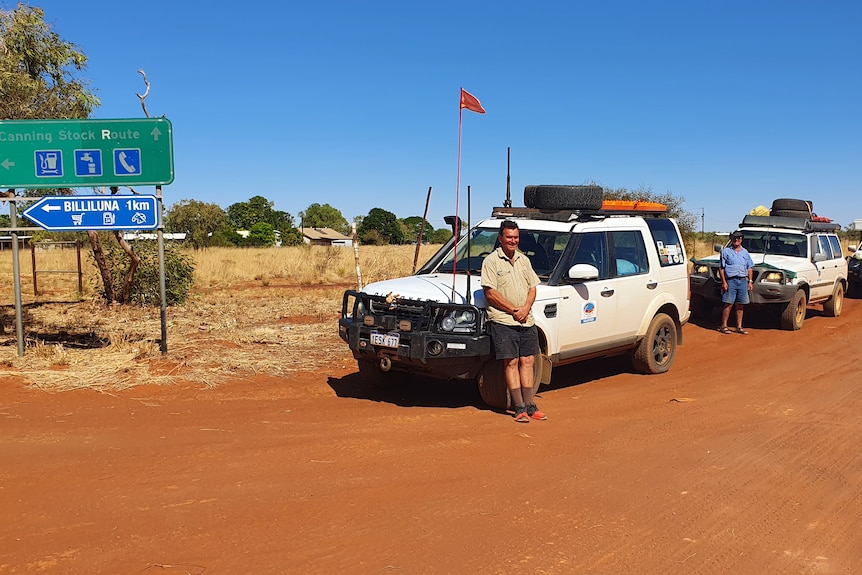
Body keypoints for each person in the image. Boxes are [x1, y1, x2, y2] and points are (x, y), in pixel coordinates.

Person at [481, 220, 546, 422]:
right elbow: (490, 293)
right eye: (509, 237)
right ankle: (518, 407)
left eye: (516, 237)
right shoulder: (491, 261)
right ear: (500, 239)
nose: (513, 241)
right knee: (512, 362)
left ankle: (530, 404)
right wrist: (513, 310)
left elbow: (533, 287)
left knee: (528, 361)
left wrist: (525, 308)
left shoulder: (524, 260)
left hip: (526, 320)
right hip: (503, 320)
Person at [718, 230, 755, 334]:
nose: (736, 240)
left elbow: (750, 268)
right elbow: (721, 268)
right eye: (734, 238)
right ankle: (724, 326)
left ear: (741, 240)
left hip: (743, 281)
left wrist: (750, 281)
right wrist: (724, 282)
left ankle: (739, 327)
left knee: (740, 304)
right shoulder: (725, 252)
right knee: (728, 303)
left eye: (738, 238)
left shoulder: (745, 252)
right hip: (730, 281)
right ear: (731, 239)